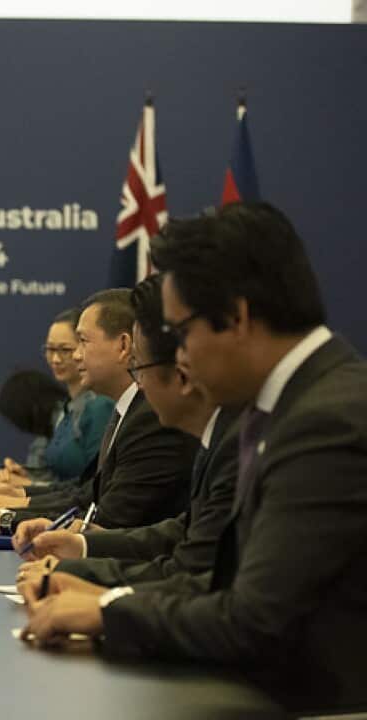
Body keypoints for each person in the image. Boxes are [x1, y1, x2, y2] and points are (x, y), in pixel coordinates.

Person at [19, 203, 367, 713]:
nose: (178, 356)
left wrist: (108, 611)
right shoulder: (295, 402)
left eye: (182, 332)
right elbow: (224, 577)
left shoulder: (325, 422)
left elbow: (254, 621)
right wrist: (107, 596)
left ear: (236, 317)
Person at [13, 274, 241, 588]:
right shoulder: (219, 437)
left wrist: (96, 597)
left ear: (184, 370)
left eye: (140, 369)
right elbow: (183, 533)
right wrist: (81, 545)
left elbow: (189, 568)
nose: (140, 386)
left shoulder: (228, 441)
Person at [0, 289, 198, 534]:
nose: (76, 356)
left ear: (123, 346)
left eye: (83, 342)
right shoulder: (126, 411)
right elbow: (87, 493)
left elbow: (107, 519)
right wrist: (20, 499)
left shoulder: (149, 418)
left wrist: (6, 519)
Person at [0, 309, 115, 487]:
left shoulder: (99, 407)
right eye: (50, 349)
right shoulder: (67, 409)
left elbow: (96, 484)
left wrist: (29, 486)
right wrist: (27, 475)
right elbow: (59, 476)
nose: (56, 359)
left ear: (82, 349)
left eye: (65, 350)